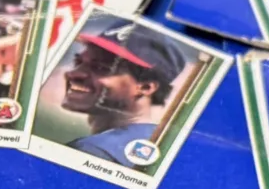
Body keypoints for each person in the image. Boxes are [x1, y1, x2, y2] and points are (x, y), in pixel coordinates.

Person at [60, 22, 190, 166]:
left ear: (146, 87)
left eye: (101, 67)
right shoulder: (157, 141)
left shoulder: (93, 151)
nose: (74, 73)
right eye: (78, 61)